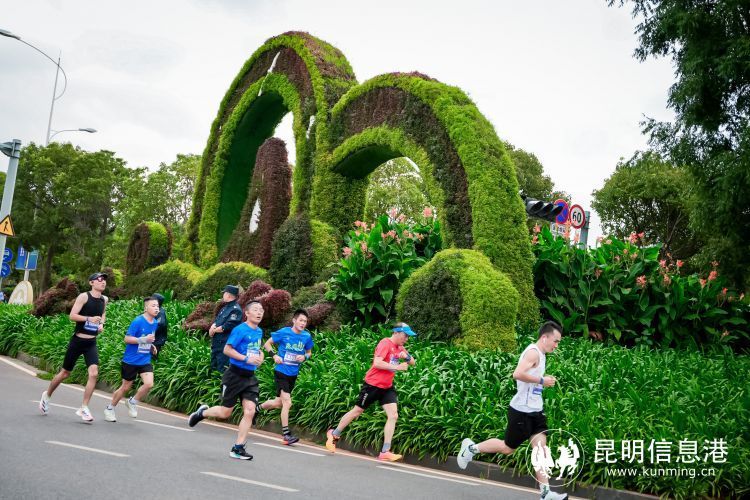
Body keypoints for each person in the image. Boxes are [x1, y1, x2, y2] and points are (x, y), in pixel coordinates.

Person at [456, 321, 568, 500]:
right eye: (555, 341)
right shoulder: (533, 353)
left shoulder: (542, 354)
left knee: (541, 449)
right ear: (545, 337)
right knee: (508, 448)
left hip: (535, 411)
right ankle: (470, 448)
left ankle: (546, 493)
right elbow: (517, 374)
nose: (557, 345)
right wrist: (542, 381)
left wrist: (541, 382)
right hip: (522, 412)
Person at [325, 323, 417, 461]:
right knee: (357, 411)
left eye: (408, 337)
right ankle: (334, 434)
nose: (407, 339)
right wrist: (397, 367)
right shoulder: (385, 343)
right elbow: (377, 363)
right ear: (396, 332)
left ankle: (385, 451)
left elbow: (413, 363)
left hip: (387, 387)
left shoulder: (400, 348)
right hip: (372, 385)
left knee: (393, 415)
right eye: (405, 335)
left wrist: (407, 357)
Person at [188, 301, 265, 460]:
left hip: (250, 377)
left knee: (250, 411)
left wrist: (260, 358)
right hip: (234, 375)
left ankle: (238, 448)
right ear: (247, 313)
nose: (259, 313)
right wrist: (245, 358)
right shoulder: (240, 330)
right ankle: (202, 413)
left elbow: (258, 350)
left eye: (261, 310)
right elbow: (227, 350)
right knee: (225, 412)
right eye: (256, 310)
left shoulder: (259, 331)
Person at [39, 272, 109, 422]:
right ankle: (47, 395)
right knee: (65, 373)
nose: (103, 282)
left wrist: (101, 324)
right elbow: (72, 316)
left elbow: (102, 315)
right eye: (100, 279)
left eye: (104, 280)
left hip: (91, 342)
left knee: (94, 373)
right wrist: (89, 319)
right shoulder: (84, 297)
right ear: (91, 282)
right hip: (78, 341)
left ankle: (84, 407)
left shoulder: (104, 299)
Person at [255, 309, 314, 445]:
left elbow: (309, 352)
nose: (303, 323)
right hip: (281, 371)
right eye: (301, 320)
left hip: (293, 374)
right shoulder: (284, 332)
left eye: (305, 321)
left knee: (278, 403)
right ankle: (286, 435)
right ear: (294, 320)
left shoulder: (306, 336)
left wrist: (304, 356)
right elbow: (267, 344)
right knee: (287, 402)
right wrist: (274, 355)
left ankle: (257, 409)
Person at [103, 296, 159, 422]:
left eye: (157, 306)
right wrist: (144, 340)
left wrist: (151, 346)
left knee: (149, 384)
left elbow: (147, 338)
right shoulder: (138, 321)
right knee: (125, 387)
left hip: (144, 359)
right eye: (153, 306)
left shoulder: (155, 323)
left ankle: (132, 401)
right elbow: (127, 339)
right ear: (146, 308)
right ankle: (110, 408)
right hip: (131, 360)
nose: (156, 308)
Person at [209, 285, 243, 373]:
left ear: (228, 295)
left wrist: (214, 330)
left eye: (224, 293)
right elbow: (217, 321)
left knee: (222, 369)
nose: (223, 295)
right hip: (216, 344)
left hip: (224, 345)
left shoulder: (236, 310)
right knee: (213, 367)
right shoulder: (225, 308)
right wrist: (212, 327)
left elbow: (228, 326)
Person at [152, 293, 168, 359]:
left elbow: (161, 324)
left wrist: (152, 332)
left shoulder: (160, 312)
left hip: (157, 339)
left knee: (152, 356)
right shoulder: (155, 310)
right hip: (153, 339)